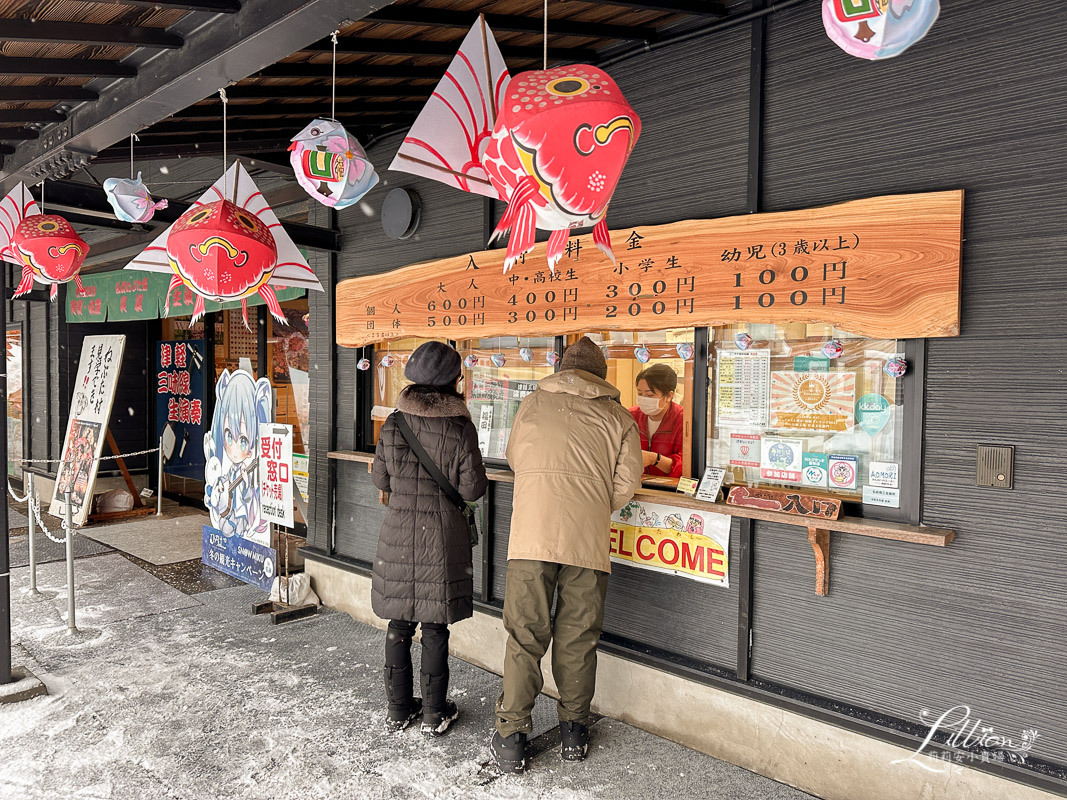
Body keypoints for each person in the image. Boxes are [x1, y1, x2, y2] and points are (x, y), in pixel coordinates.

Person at [491, 336, 643, 773]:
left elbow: (515, 458)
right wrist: (591, 506)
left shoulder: (531, 405)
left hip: (530, 538)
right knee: (578, 638)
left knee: (525, 635)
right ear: (601, 375)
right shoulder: (620, 418)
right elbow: (625, 484)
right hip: (587, 543)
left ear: (561, 368)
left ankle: (511, 737)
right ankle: (574, 732)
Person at [371, 342, 488, 737]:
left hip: (400, 532)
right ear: (453, 381)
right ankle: (435, 715)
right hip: (442, 537)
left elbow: (381, 479)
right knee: (435, 627)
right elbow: (473, 490)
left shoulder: (393, 423)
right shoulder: (460, 427)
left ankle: (397, 710)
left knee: (398, 624)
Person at [629, 363, 685, 479]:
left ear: (669, 395)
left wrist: (654, 459)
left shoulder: (682, 419)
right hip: (636, 485)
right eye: (640, 393)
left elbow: (685, 465)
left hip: (670, 489)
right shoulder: (631, 416)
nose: (643, 399)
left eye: (649, 395)